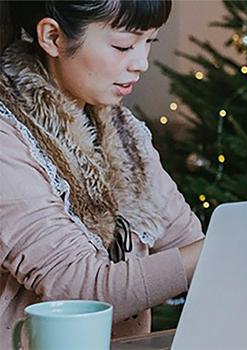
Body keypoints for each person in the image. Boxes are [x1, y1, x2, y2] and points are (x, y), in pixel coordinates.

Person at [0, 0, 205, 339]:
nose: (142, 63)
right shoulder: (8, 138)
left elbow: (185, 242)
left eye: (149, 43)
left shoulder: (125, 132)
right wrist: (224, 248)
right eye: (123, 45)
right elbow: (80, 290)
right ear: (52, 37)